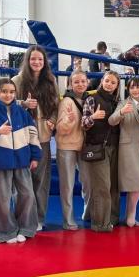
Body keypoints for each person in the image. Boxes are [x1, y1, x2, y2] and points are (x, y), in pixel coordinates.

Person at [0, 78, 41, 244]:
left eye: (11, 92)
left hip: (22, 160)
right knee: (2, 199)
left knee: (27, 195)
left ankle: (26, 228)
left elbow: (33, 134)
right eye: (4, 91)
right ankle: (5, 231)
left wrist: (35, 156)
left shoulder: (23, 113)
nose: (8, 95)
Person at [12, 45, 59, 231]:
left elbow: (56, 105)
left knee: (41, 180)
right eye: (33, 59)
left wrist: (53, 120)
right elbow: (5, 103)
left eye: (40, 59)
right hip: (22, 138)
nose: (37, 62)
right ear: (27, 60)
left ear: (44, 61)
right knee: (22, 180)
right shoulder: (17, 80)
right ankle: (22, 219)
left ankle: (38, 218)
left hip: (43, 138)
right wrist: (23, 103)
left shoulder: (50, 80)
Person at [81, 71, 121, 232]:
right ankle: (100, 223)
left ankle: (112, 219)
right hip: (98, 147)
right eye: (107, 81)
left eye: (113, 82)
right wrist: (93, 117)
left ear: (117, 85)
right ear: (102, 81)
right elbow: (83, 124)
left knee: (113, 186)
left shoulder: (117, 101)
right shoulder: (92, 98)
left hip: (114, 147)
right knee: (102, 186)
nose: (109, 84)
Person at [110, 77, 139, 227]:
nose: (135, 90)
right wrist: (121, 112)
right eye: (132, 87)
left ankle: (130, 216)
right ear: (128, 89)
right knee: (136, 183)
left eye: (138, 87)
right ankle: (130, 217)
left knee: (136, 184)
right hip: (129, 148)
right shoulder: (123, 103)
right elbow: (111, 120)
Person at [55, 69, 88, 231]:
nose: (80, 84)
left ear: (88, 82)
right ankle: (68, 220)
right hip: (67, 146)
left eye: (83, 81)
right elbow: (60, 129)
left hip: (84, 146)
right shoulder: (66, 102)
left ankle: (88, 214)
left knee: (88, 183)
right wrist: (69, 120)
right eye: (76, 82)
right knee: (67, 185)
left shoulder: (89, 99)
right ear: (70, 84)